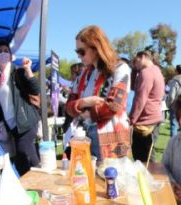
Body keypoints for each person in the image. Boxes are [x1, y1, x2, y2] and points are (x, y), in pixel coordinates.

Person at [65, 25, 131, 161]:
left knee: (110, 178)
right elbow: (68, 107)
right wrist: (85, 102)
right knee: (84, 178)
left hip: (111, 135)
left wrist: (86, 112)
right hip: (84, 134)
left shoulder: (120, 68)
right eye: (77, 51)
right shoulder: (83, 74)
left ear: (96, 48)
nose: (78, 55)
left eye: (81, 51)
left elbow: (114, 106)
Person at [0, 40, 40, 176]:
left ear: (11, 56)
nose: (3, 53)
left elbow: (35, 88)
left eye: (6, 51)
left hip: (25, 123)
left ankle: (38, 188)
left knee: (27, 159)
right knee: (21, 162)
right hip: (13, 126)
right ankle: (32, 188)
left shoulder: (17, 73)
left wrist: (28, 69)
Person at [129, 49, 165, 162]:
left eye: (135, 61)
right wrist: (134, 70)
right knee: (148, 157)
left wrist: (132, 119)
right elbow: (133, 87)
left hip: (146, 120)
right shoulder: (156, 70)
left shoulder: (146, 72)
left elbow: (140, 98)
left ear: (143, 56)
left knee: (142, 159)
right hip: (153, 118)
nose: (135, 64)